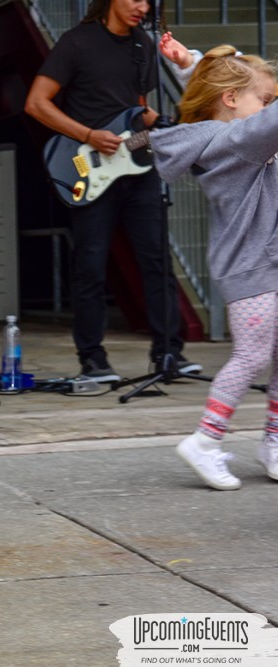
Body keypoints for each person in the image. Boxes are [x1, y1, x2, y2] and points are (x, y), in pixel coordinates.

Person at [24, 0, 200, 383]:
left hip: (138, 166)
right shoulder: (77, 43)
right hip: (89, 167)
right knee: (90, 264)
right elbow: (36, 103)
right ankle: (93, 359)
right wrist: (87, 135)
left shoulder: (143, 45)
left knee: (156, 261)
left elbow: (138, 108)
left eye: (148, 1)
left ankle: (170, 354)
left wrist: (168, 125)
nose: (143, 6)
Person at [150, 46, 278, 490]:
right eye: (264, 98)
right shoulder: (240, 142)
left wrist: (189, 64)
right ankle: (205, 441)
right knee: (252, 356)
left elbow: (225, 97)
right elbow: (260, 122)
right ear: (231, 101)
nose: (267, 106)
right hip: (252, 266)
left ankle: (274, 444)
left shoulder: (220, 134)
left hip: (265, 261)